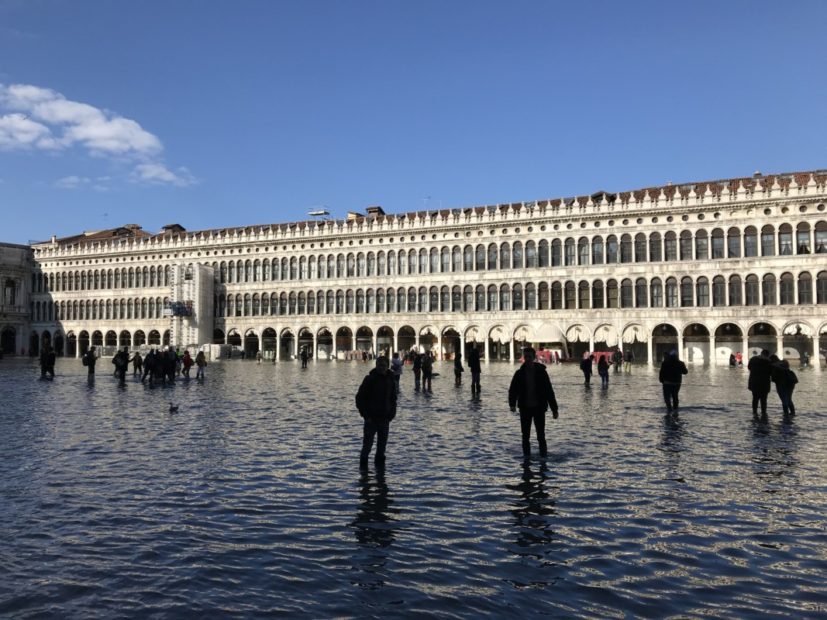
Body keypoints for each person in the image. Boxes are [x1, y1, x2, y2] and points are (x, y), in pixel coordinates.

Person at [508, 347, 559, 459]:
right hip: (524, 408)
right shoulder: (519, 373)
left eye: (529, 357)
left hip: (539, 408)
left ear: (534, 357)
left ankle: (543, 458)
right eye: (525, 357)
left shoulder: (541, 372)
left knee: (541, 436)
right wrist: (512, 404)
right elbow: (513, 390)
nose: (527, 359)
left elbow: (549, 391)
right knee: (525, 436)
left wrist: (554, 409)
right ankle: (526, 458)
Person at [356, 356, 397, 469]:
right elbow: (359, 398)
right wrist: (366, 416)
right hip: (371, 419)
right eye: (379, 365)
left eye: (383, 365)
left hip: (385, 419)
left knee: (382, 449)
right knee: (367, 447)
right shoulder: (369, 379)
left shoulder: (391, 380)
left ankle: (380, 476)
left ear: (387, 366)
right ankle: (364, 475)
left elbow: (393, 398)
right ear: (376, 365)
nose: (381, 368)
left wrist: (392, 414)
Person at [747, 349, 773, 417]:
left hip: (754, 382)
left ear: (761, 353)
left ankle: (754, 412)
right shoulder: (769, 362)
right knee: (763, 400)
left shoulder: (753, 359)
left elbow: (749, 367)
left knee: (755, 398)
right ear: (767, 355)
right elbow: (771, 372)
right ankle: (763, 413)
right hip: (764, 383)